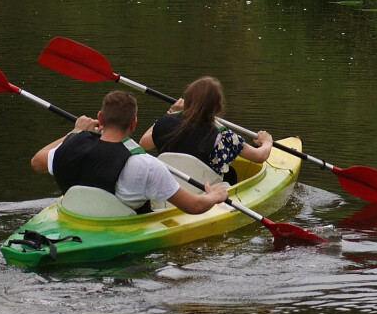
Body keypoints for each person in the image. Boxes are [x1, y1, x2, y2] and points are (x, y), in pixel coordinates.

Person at [31, 90, 228, 215]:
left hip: (76, 218)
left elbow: (37, 162)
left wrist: (75, 132)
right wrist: (213, 196)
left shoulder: (71, 147)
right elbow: (194, 207)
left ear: (100, 117)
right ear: (134, 123)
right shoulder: (146, 165)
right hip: (120, 231)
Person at [139, 76, 273, 183]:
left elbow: (143, 143)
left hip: (171, 190)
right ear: (217, 107)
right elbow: (260, 156)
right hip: (205, 192)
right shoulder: (223, 135)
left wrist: (171, 112)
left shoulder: (164, 124)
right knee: (230, 174)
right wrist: (267, 141)